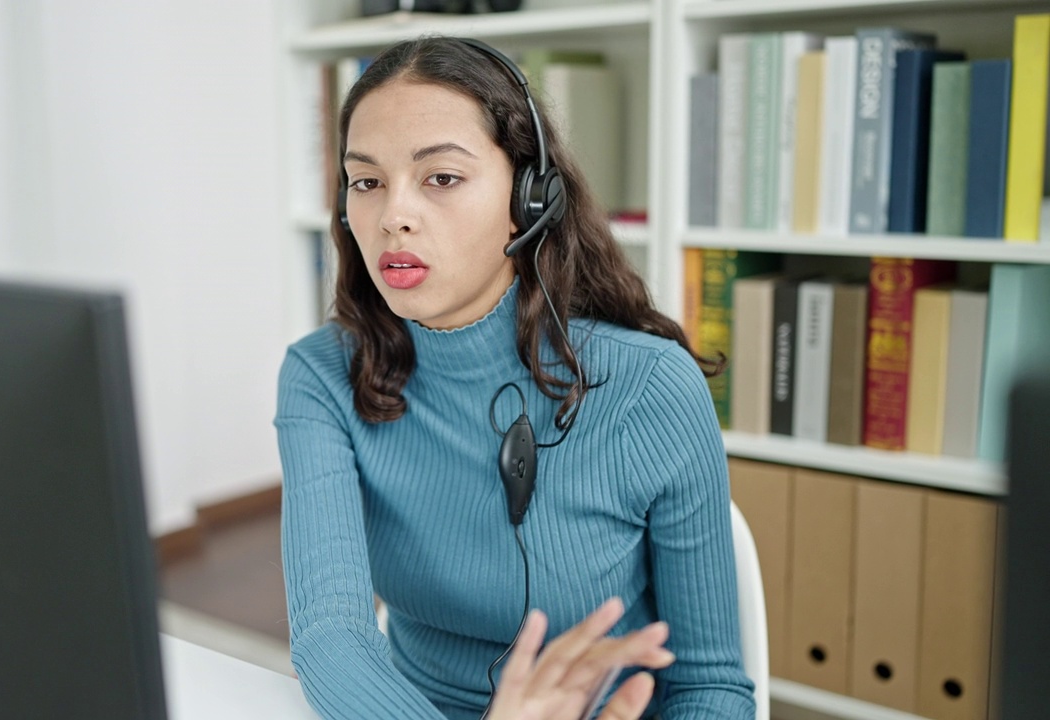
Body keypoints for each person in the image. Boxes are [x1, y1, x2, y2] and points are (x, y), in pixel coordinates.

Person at [274, 36, 755, 720]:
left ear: (529, 199)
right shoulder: (321, 377)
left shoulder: (652, 389)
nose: (393, 217)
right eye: (367, 181)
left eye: (441, 177)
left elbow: (711, 687)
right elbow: (330, 638)